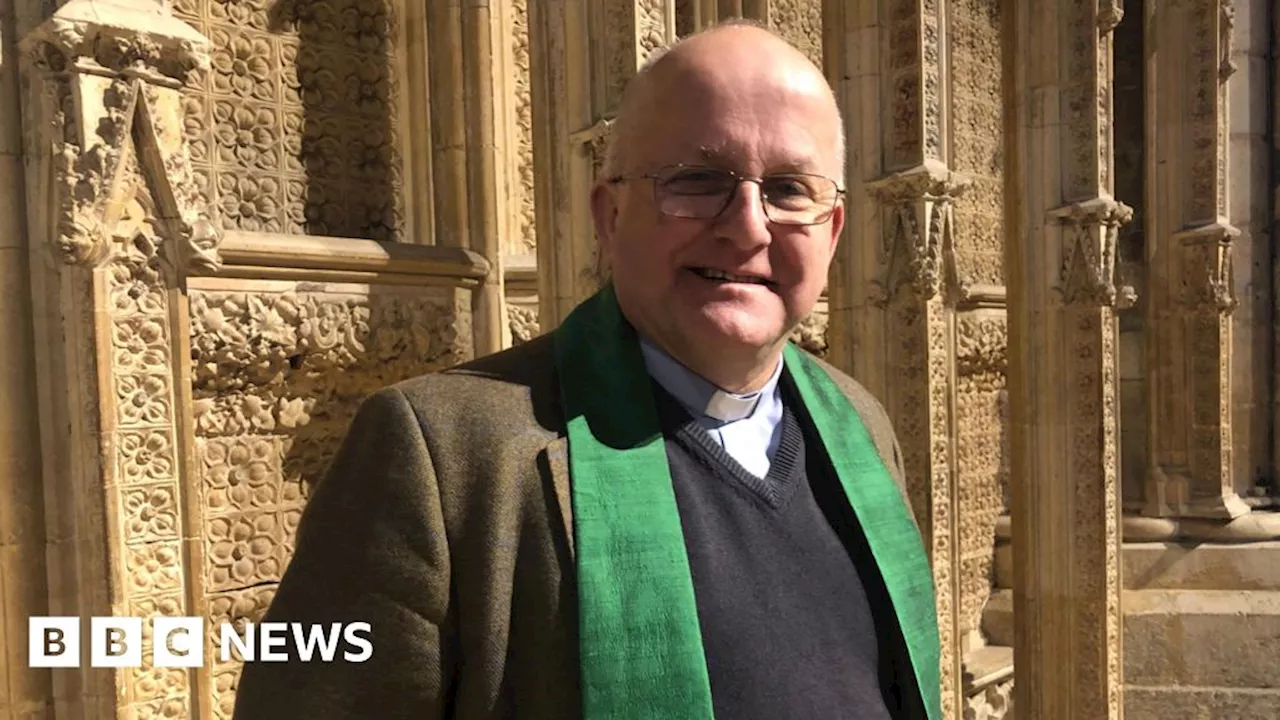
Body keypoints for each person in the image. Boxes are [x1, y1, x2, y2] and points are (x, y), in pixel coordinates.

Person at [232, 20, 940, 720]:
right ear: (610, 214)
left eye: (789, 189)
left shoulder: (861, 425)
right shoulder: (439, 455)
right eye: (697, 180)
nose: (748, 227)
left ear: (833, 230)